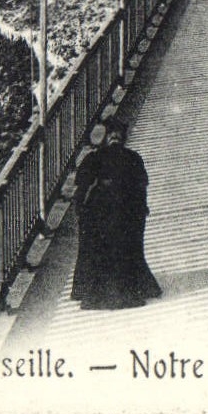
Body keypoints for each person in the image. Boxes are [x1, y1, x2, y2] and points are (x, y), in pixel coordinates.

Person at [71, 119, 162, 310]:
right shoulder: (119, 158)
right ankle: (114, 289)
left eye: (115, 134)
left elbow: (81, 189)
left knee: (110, 246)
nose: (114, 138)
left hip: (111, 210)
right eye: (113, 134)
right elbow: (140, 188)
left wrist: (81, 210)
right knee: (114, 246)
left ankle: (107, 290)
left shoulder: (111, 158)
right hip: (114, 210)